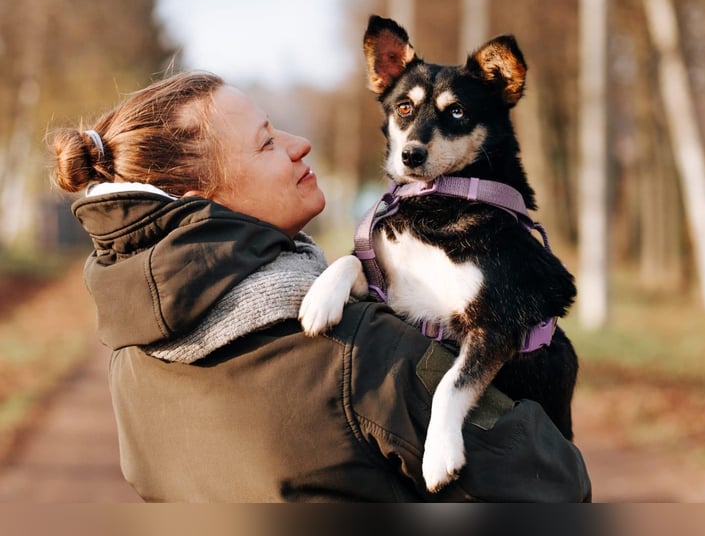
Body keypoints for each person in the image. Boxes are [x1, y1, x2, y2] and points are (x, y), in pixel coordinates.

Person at [48, 70, 591, 502]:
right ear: (200, 200)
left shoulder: (129, 358)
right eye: (266, 143)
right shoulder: (360, 352)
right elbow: (556, 484)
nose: (300, 144)